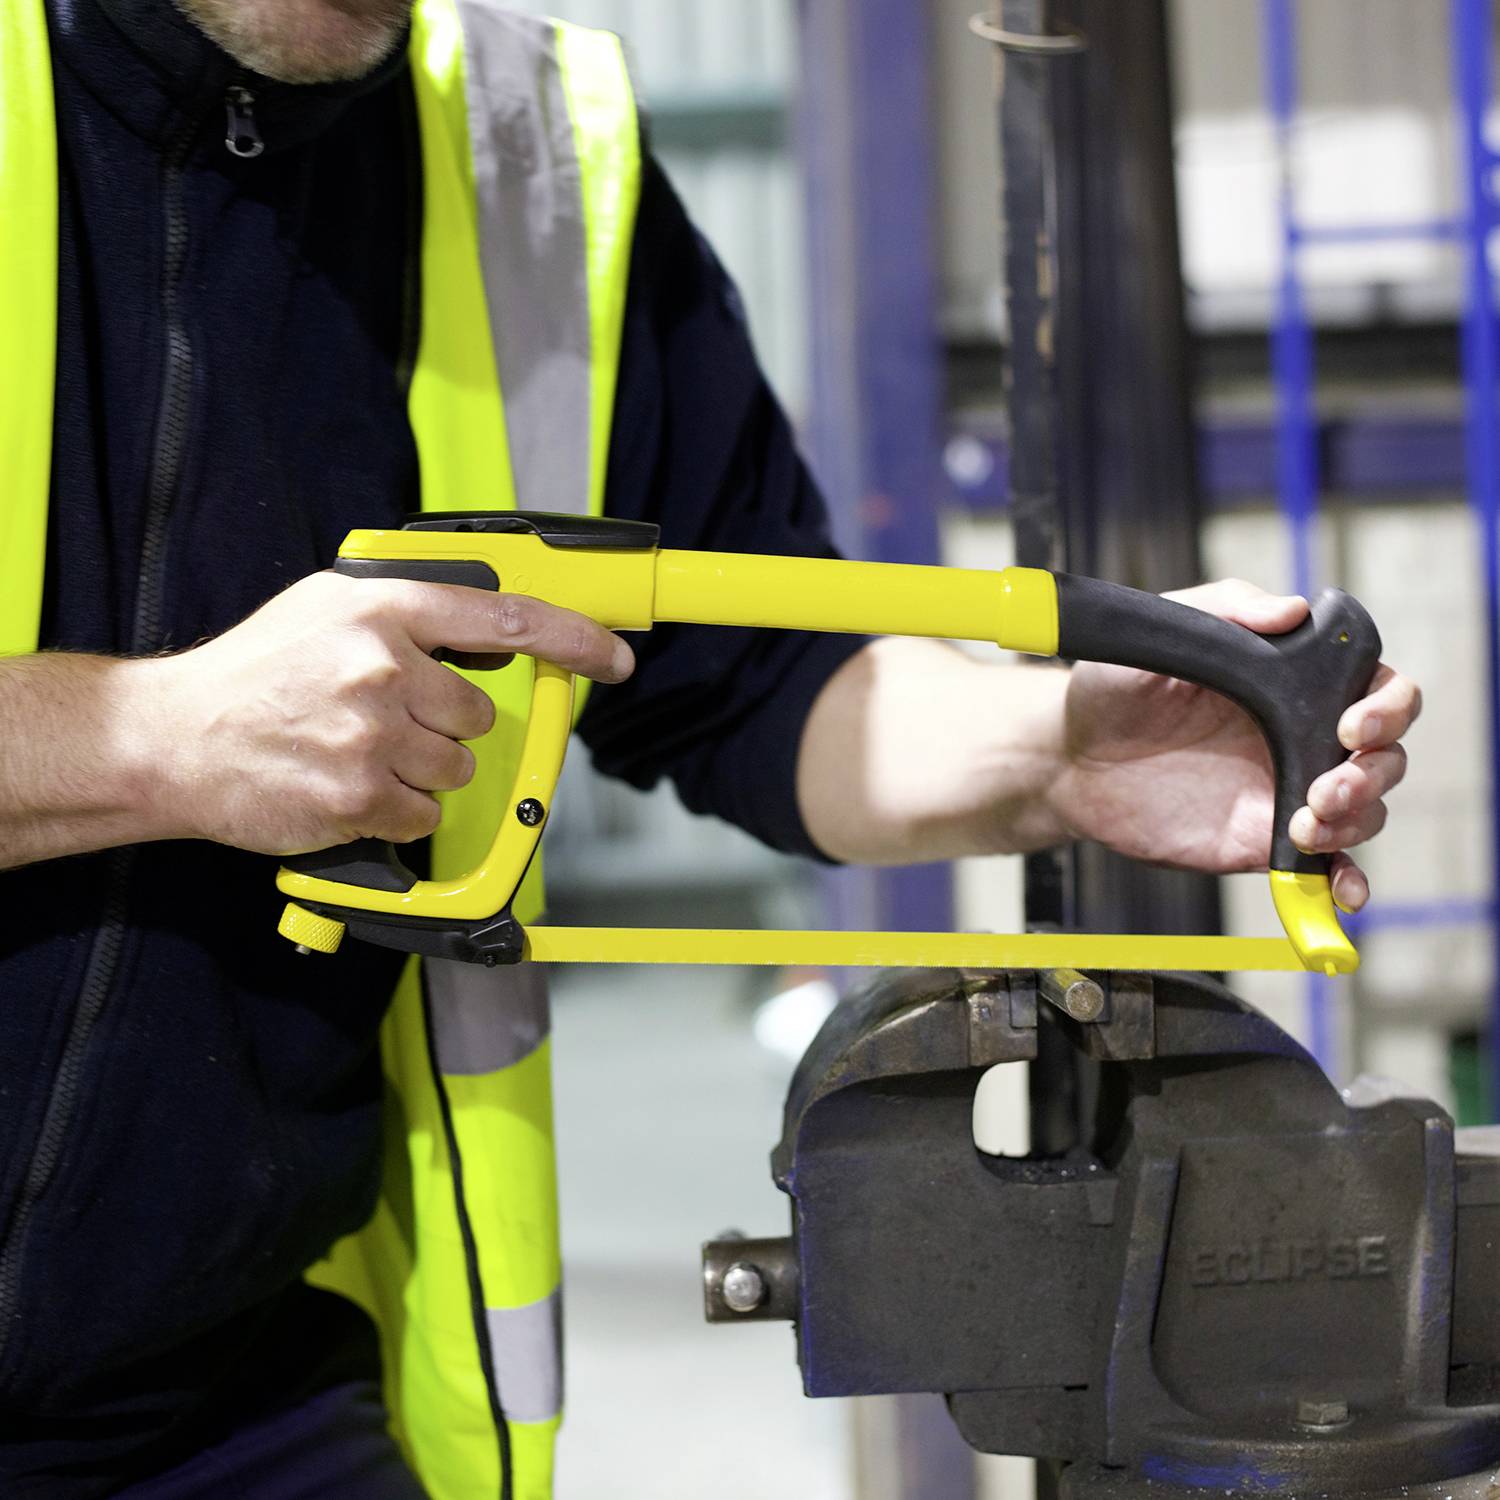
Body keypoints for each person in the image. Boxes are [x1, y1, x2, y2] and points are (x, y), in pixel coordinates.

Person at [0, 0, 1419, 1493]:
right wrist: (149, 739)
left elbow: (758, 686)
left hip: (222, 1400)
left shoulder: (524, 141)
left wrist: (1066, 745)